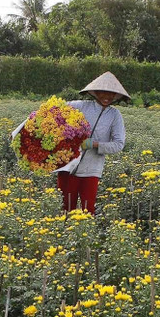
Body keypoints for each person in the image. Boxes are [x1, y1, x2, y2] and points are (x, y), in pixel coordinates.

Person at [57, 71, 128, 215]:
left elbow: (119, 144)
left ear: (115, 96)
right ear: (95, 92)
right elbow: (52, 111)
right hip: (68, 166)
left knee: (87, 211)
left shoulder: (115, 116)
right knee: (65, 209)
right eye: (103, 93)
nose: (106, 97)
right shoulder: (80, 106)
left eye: (111, 94)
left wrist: (94, 144)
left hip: (91, 170)